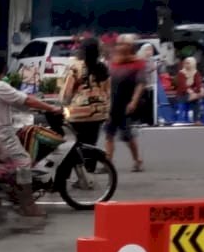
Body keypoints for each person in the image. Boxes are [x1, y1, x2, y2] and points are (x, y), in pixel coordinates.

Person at [0, 53, 61, 219]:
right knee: (23, 161)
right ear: (4, 69)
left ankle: (14, 193)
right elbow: (27, 100)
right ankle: (28, 206)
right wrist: (51, 108)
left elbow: (18, 103)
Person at [106, 36, 146, 173]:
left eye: (124, 44)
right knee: (109, 133)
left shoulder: (138, 63)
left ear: (130, 46)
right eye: (119, 44)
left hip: (126, 102)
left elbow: (140, 84)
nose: (120, 47)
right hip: (112, 102)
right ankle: (108, 162)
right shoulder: (113, 62)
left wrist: (134, 101)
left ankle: (137, 160)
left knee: (127, 135)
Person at [60, 38, 109, 148]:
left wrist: (64, 106)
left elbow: (67, 92)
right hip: (97, 113)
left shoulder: (75, 67)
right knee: (92, 144)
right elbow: (107, 90)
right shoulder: (102, 67)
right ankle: (91, 164)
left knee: (78, 144)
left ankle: (79, 163)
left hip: (78, 113)